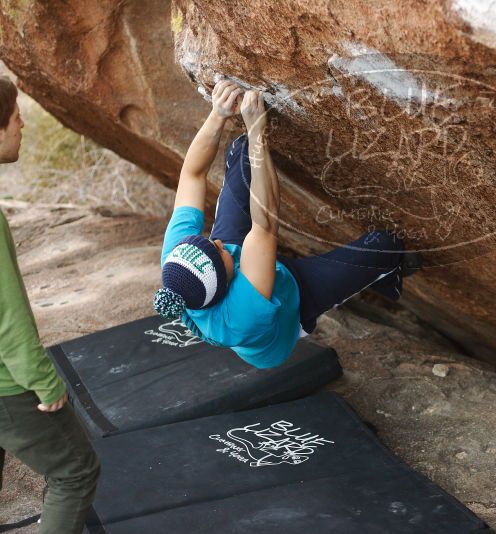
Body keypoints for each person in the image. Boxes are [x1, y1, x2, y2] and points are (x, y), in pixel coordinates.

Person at [153, 80, 422, 368]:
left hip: (246, 268)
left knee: (242, 153)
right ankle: (385, 278)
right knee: (386, 246)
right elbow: (265, 223)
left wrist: (217, 114)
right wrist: (258, 132)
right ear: (225, 279)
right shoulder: (241, 314)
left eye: (208, 241)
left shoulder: (178, 258)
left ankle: (245, 163)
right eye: (218, 252)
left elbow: (192, 175)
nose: (218, 241)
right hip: (291, 306)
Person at [0, 77, 101, 533]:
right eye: (15, 116)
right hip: (8, 385)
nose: (22, 123)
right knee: (75, 473)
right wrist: (44, 381)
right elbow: (7, 314)